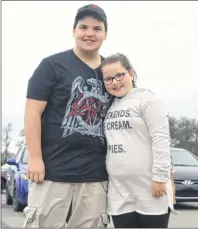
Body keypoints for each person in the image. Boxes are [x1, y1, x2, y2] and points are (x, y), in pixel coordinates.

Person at [23, 4, 112, 228]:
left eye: (97, 28)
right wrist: (35, 158)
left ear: (105, 33)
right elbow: (32, 112)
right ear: (74, 31)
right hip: (52, 172)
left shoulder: (112, 72)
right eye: (83, 27)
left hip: (95, 176)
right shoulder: (52, 65)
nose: (89, 33)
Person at [101, 53, 177, 228]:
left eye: (120, 75)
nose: (115, 82)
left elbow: (161, 139)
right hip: (119, 193)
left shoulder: (147, 99)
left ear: (131, 73)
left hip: (150, 189)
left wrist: (160, 177)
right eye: (108, 79)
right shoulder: (110, 105)